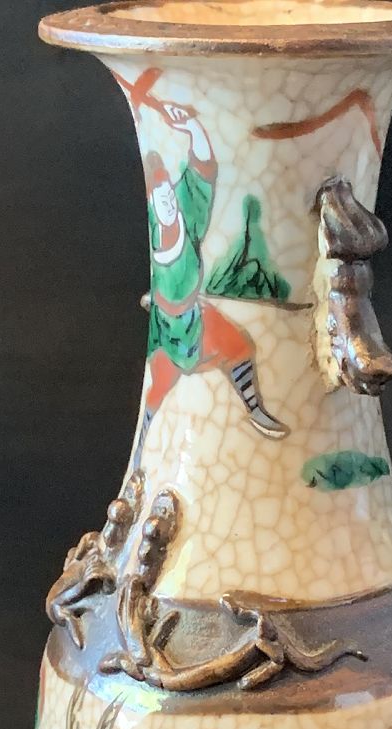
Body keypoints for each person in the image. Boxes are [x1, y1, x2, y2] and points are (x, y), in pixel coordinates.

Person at [132, 102, 288, 468]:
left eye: (167, 192)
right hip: (168, 331)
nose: (167, 201)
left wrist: (192, 129)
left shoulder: (185, 216)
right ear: (152, 203)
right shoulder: (159, 232)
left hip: (194, 319)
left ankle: (256, 410)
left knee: (237, 346)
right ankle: (143, 455)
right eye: (159, 197)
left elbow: (201, 173)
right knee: (159, 390)